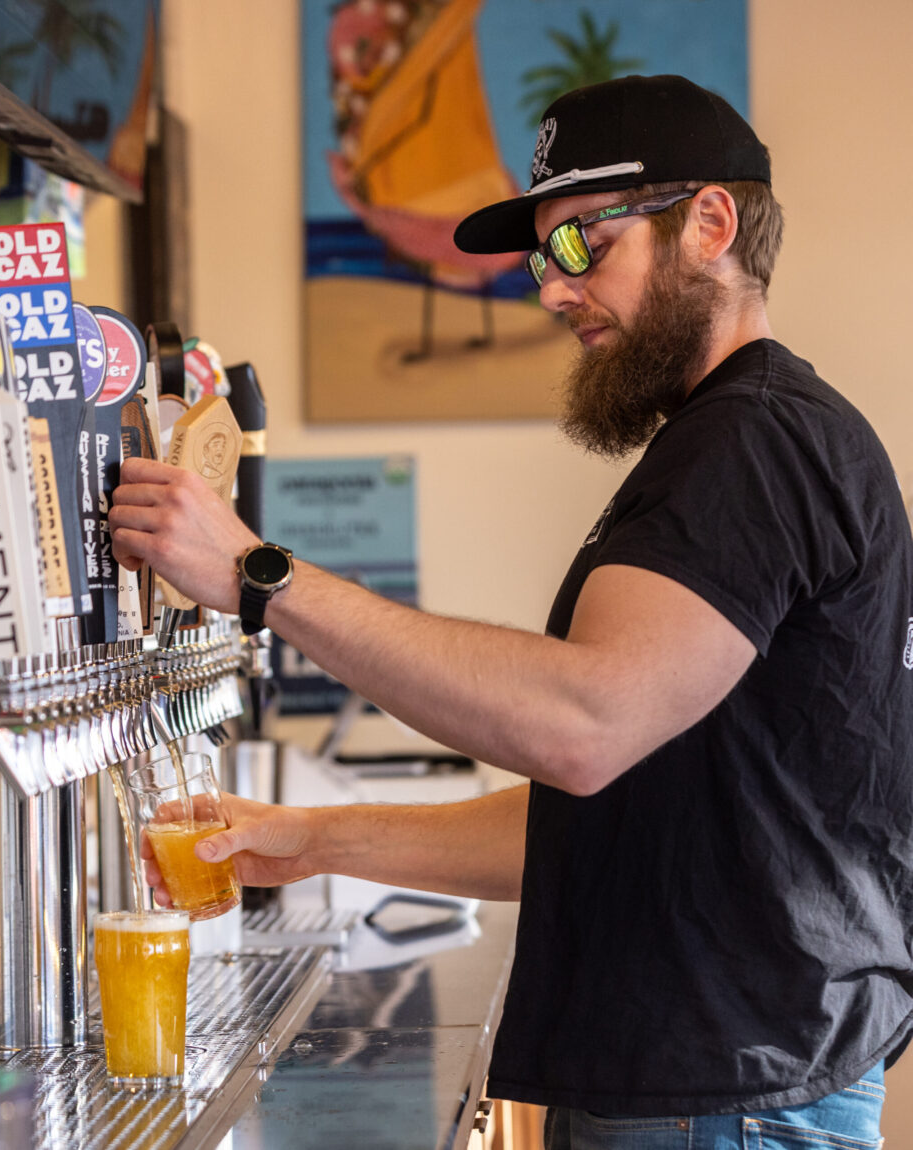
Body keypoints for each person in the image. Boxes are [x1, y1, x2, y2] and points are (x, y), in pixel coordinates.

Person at [110, 74, 913, 1147]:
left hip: (725, 1102)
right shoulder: (745, 440)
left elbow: (579, 725)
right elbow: (611, 810)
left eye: (583, 244)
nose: (553, 291)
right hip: (720, 1085)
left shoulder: (752, 445)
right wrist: (311, 839)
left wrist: (261, 578)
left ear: (710, 224)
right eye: (543, 259)